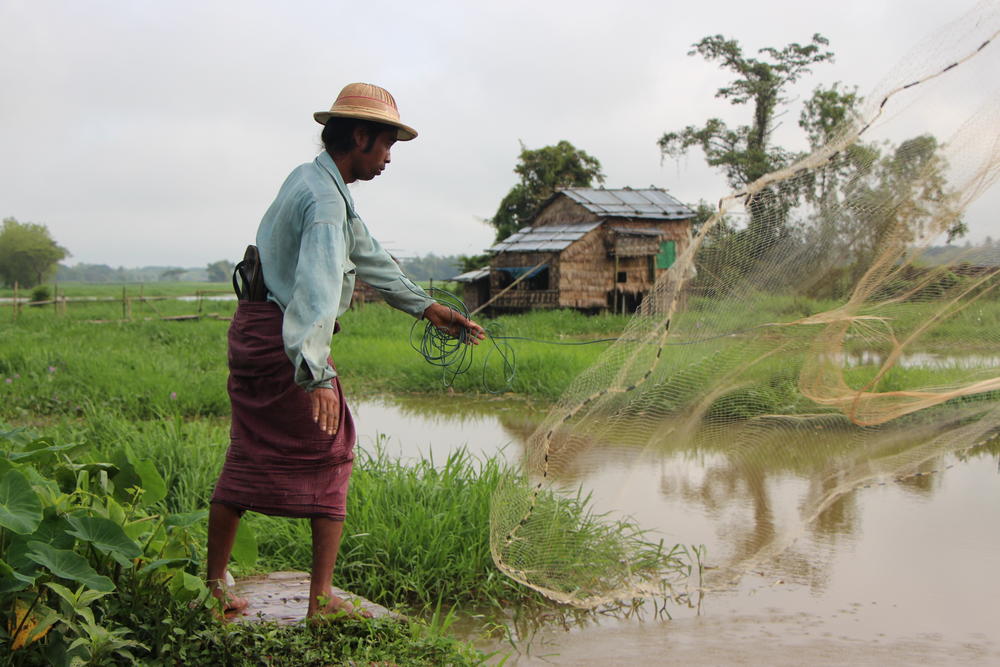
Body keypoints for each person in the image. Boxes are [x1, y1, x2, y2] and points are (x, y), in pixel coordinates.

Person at [206, 82, 485, 619]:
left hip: (255, 327)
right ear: (359, 136)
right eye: (385, 146)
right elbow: (315, 287)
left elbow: (369, 255)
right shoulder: (326, 204)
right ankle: (321, 600)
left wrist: (428, 307)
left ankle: (216, 583)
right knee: (334, 448)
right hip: (285, 340)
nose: (386, 158)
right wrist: (315, 373)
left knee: (246, 451)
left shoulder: (313, 181)